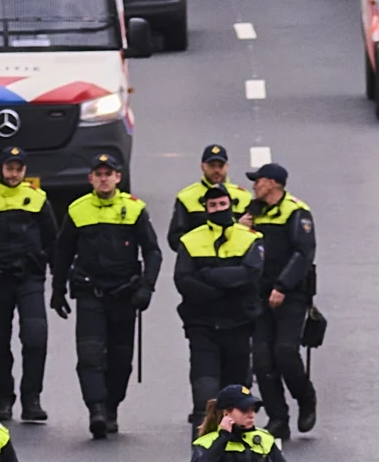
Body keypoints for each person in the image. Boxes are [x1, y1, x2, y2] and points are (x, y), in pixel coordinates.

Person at [53, 150, 159, 439]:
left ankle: (112, 407)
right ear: (90, 179)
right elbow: (63, 252)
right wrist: (57, 290)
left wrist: (147, 286)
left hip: (124, 294)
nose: (103, 179)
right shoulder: (77, 210)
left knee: (120, 358)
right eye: (98, 174)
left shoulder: (135, 209)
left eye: (108, 174)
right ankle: (96, 409)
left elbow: (152, 251)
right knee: (89, 353)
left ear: (118, 178)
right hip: (90, 292)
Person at [0, 151, 54, 423]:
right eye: (9, 168)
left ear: (24, 170)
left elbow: (54, 243)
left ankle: (32, 399)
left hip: (29, 278)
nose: (13, 174)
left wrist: (61, 283)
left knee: (36, 336)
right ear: (1, 169)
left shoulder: (38, 200)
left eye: (18, 169)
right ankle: (4, 399)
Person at [172, 184, 265, 432]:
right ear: (205, 209)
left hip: (238, 323)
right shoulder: (190, 241)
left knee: (237, 390)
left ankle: (238, 442)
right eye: (212, 206)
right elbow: (183, 280)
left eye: (222, 204)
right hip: (203, 324)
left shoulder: (250, 239)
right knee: (204, 386)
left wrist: (210, 276)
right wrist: (221, 290)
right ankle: (203, 442)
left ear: (231, 207)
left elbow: (251, 273)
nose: (218, 209)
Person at [242, 161, 320, 437]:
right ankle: (278, 418)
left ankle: (306, 399)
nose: (254, 186)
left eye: (258, 181)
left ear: (272, 184)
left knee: (285, 352)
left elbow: (303, 253)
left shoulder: (296, 212)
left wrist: (283, 286)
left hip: (291, 295)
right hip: (259, 296)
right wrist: (239, 227)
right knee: (262, 360)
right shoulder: (251, 212)